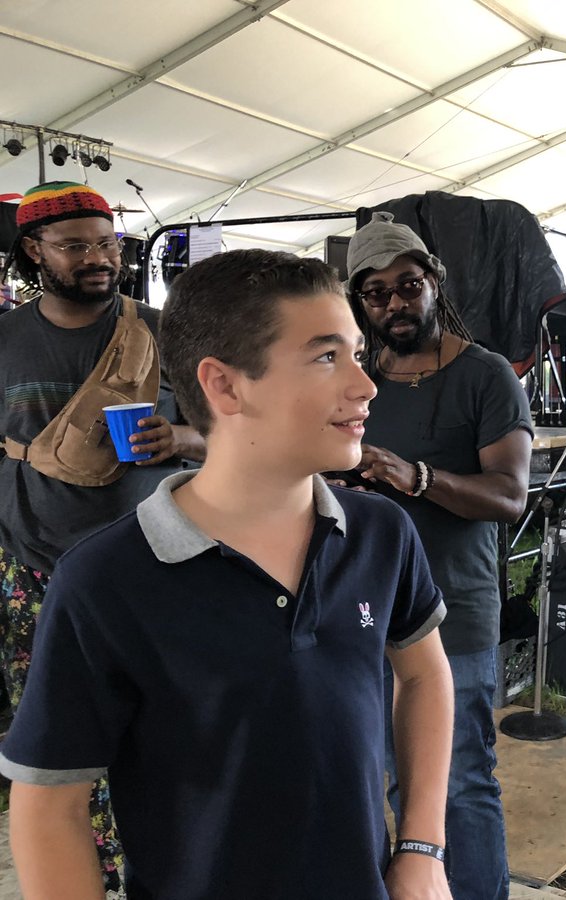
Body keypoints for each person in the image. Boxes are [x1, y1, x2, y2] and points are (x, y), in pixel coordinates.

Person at [0, 249, 455, 900]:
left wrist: (421, 848)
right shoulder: (107, 580)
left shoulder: (380, 533)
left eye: (357, 353)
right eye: (328, 357)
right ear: (225, 385)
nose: (365, 385)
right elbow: (50, 806)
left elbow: (424, 672)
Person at [0, 180, 204, 890]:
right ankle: (93, 875)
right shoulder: (6, 338)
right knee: (54, 746)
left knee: (159, 734)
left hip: (148, 575)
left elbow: (238, 429)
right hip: (33, 574)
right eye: (76, 245)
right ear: (35, 250)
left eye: (107, 242)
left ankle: (161, 863)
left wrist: (179, 434)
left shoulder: (158, 331)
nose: (97, 258)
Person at [344, 212, 533, 900]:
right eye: (376, 294)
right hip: (364, 613)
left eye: (408, 286)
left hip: (456, 614)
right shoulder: (361, 381)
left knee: (458, 779)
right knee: (387, 775)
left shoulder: (484, 376)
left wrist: (414, 476)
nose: (395, 304)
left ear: (434, 284)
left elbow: (510, 496)